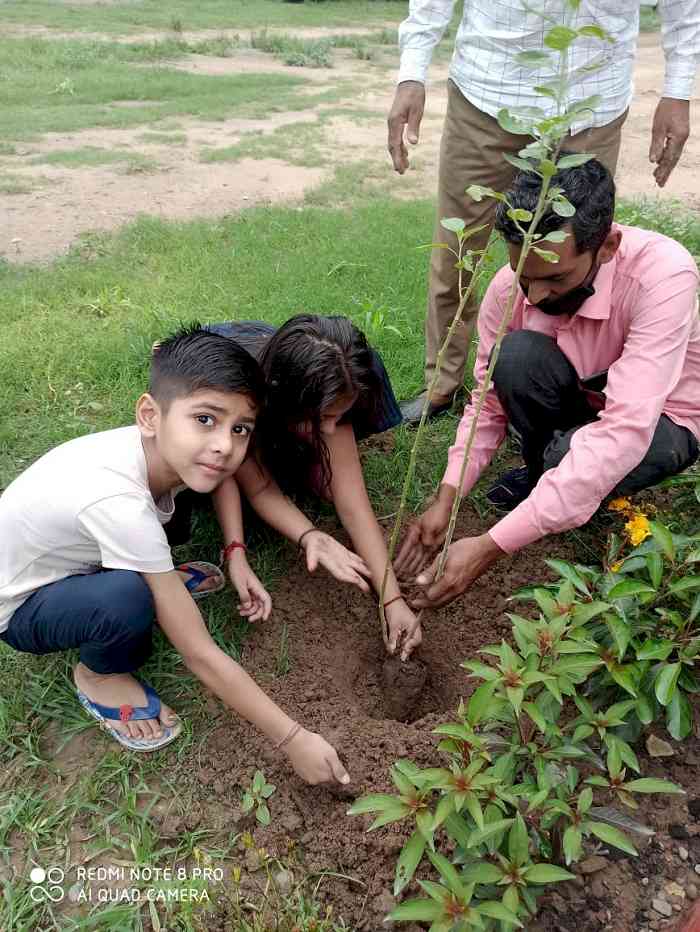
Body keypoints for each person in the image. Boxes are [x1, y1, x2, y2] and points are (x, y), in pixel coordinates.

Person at [0, 326, 353, 786]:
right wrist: (294, 739)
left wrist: (236, 553)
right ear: (150, 414)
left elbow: (224, 472)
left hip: (70, 555)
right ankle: (99, 675)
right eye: (206, 419)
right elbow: (200, 653)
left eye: (240, 428)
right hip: (19, 605)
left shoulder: (161, 450)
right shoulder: (119, 504)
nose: (225, 444)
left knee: (153, 552)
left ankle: (156, 577)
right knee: (125, 601)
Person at [395, 158, 700, 608]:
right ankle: (549, 477)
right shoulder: (509, 290)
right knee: (514, 357)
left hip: (661, 419)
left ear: (608, 246)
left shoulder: (663, 276)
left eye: (555, 278)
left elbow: (624, 430)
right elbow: (486, 404)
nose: (535, 296)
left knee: (575, 455)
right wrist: (448, 494)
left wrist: (490, 546)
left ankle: (559, 480)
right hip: (584, 394)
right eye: (525, 276)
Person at [390, 0, 699, 426]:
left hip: (593, 104)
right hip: (490, 91)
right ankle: (442, 385)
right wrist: (412, 72)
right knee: (457, 251)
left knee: (576, 258)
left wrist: (678, 90)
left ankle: (553, 397)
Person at [207, 315, 423, 661]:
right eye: (322, 418)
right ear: (285, 400)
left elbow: (353, 503)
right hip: (230, 346)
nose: (332, 428)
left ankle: (303, 449)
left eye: (340, 415)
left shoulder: (334, 384)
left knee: (328, 484)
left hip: (276, 361)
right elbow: (261, 489)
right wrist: (309, 535)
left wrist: (392, 599)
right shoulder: (241, 398)